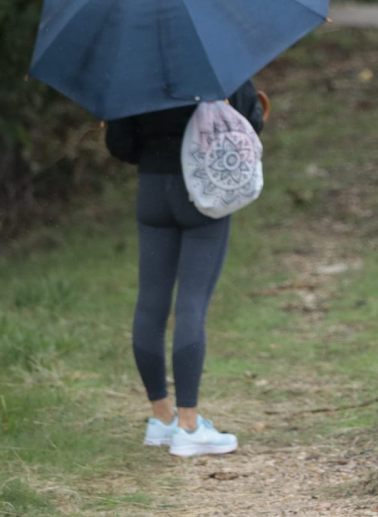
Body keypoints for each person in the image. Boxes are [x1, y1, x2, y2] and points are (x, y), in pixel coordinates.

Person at [106, 81, 266, 457]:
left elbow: (120, 145)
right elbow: (248, 125)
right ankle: (190, 426)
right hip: (204, 188)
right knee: (191, 304)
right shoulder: (217, 62)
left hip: (152, 189)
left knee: (150, 303)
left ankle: (162, 419)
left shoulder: (134, 66)